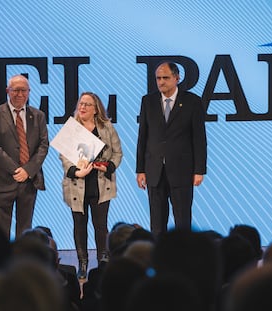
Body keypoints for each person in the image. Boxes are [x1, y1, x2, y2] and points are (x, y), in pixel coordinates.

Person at [136, 62, 207, 235]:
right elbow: (143, 137)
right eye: (158, 78)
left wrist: (199, 170)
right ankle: (159, 259)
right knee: (157, 224)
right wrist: (140, 170)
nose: (161, 82)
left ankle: (183, 259)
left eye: (165, 78)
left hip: (182, 171)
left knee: (182, 221)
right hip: (154, 171)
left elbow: (199, 138)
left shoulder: (192, 102)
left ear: (177, 78)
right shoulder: (148, 101)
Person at [59, 92, 122, 279]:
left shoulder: (107, 127)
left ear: (96, 109)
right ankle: (83, 263)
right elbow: (64, 156)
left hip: (101, 185)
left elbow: (117, 153)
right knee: (79, 225)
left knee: (100, 226)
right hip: (77, 184)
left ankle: (103, 262)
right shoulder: (71, 128)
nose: (83, 107)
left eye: (87, 104)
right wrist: (76, 172)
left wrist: (108, 166)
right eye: (81, 103)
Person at [0, 74, 49, 240]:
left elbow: (43, 146)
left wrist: (27, 171)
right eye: (16, 90)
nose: (20, 94)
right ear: (8, 91)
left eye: (24, 90)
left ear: (29, 92)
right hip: (3, 181)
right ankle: (1, 264)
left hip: (28, 182)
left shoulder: (38, 116)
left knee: (25, 231)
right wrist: (15, 170)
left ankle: (21, 264)